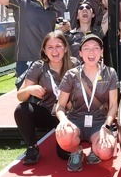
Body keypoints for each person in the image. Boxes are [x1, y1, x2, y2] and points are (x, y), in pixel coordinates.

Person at [55, 34, 118, 172]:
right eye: (87, 48)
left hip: (99, 122)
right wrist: (63, 120)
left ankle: (96, 151)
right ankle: (76, 151)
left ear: (102, 52)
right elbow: (60, 106)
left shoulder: (110, 73)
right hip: (75, 120)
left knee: (105, 152)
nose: (91, 52)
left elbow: (113, 106)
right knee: (64, 135)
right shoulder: (71, 74)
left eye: (96, 48)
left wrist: (106, 127)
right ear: (80, 53)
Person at [14, 31, 78, 165]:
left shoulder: (74, 64)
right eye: (50, 47)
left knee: (64, 154)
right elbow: (20, 96)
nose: (54, 51)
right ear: (44, 50)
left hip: (69, 116)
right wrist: (29, 89)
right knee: (22, 109)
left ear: (65, 48)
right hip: (48, 114)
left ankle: (74, 141)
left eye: (58, 46)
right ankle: (32, 147)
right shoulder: (39, 66)